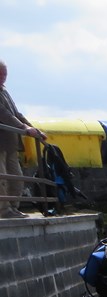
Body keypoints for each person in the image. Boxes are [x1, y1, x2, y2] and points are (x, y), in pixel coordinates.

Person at [0, 59, 46, 219]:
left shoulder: (4, 92)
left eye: (5, 74)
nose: (3, 77)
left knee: (16, 177)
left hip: (10, 144)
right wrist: (24, 128)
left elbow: (16, 114)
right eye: (0, 74)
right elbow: (4, 114)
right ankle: (4, 209)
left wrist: (32, 128)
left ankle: (13, 207)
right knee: (3, 178)